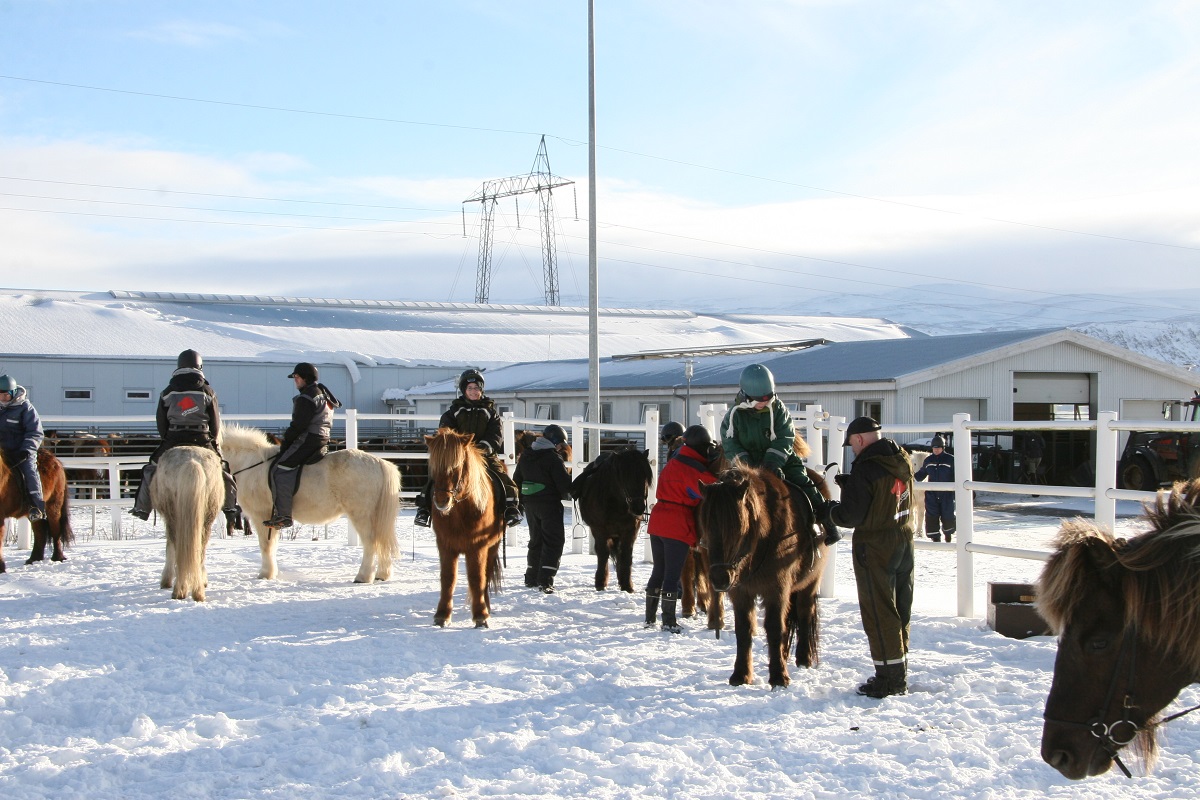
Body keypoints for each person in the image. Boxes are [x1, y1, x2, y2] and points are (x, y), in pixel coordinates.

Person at [828, 416, 916, 699]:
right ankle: (899, 671)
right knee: (900, 607)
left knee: (879, 611)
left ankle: (888, 680)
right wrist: (852, 486)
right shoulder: (900, 458)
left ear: (859, 439)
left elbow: (851, 516)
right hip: (903, 538)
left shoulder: (866, 467)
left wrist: (830, 511)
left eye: (853, 445)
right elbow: (883, 496)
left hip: (876, 546)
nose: (853, 450)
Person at [720, 363, 839, 544]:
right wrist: (747, 466)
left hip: (782, 460)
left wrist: (773, 463)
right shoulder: (733, 417)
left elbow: (785, 437)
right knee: (727, 491)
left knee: (802, 480)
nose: (764, 402)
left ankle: (828, 522)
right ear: (746, 395)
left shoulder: (779, 409)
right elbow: (731, 445)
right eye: (759, 399)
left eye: (768, 398)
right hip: (747, 465)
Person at [130, 350, 242, 529]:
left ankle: (142, 508)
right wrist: (212, 441)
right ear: (199, 367)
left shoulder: (167, 392)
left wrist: (167, 439)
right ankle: (230, 507)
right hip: (201, 438)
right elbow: (215, 424)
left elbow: (161, 422)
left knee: (151, 468)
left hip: (174, 438)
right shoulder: (208, 391)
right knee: (223, 468)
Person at [413, 369, 521, 529]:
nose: (473, 391)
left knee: (501, 475)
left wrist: (482, 449)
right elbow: (445, 433)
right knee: (438, 476)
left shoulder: (491, 413)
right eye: (470, 388)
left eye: (476, 388)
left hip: (484, 455)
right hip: (456, 456)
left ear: (481, 390)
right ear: (464, 390)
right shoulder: (452, 412)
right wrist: (457, 450)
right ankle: (424, 509)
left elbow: (496, 435)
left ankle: (510, 508)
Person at [645, 425, 719, 633]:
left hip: (658, 520)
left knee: (658, 570)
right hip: (676, 522)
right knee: (672, 575)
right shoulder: (694, 470)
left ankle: (649, 617)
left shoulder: (673, 462)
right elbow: (713, 490)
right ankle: (668, 620)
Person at [263, 362, 341, 529]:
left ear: (306, 378)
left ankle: (284, 515)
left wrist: (286, 443)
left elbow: (299, 425)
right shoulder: (322, 394)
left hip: (309, 438)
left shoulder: (307, 397)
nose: (295, 380)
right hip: (323, 438)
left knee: (281, 469)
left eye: (297, 377)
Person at [513, 424, 572, 594]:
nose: (560, 448)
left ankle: (531, 576)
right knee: (553, 541)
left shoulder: (526, 455)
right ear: (555, 442)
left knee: (536, 540)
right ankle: (545, 579)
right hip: (549, 505)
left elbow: (517, 480)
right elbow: (564, 486)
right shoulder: (553, 458)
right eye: (560, 444)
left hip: (530, 505)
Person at [0, 374, 46, 521]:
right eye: (0, 395)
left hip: (20, 452)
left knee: (29, 471)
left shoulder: (25, 408)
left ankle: (35, 506)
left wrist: (27, 450)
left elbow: (35, 432)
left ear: (13, 393)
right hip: (1, 453)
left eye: (6, 395)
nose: (2, 398)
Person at [914, 435, 955, 542]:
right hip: (932, 494)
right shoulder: (928, 461)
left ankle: (948, 533)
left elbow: (957, 475)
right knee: (932, 515)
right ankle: (935, 537)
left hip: (946, 493)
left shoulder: (950, 460)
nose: (936, 450)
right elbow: (921, 474)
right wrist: (910, 479)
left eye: (938, 447)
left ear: (943, 448)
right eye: (934, 448)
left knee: (947, 514)